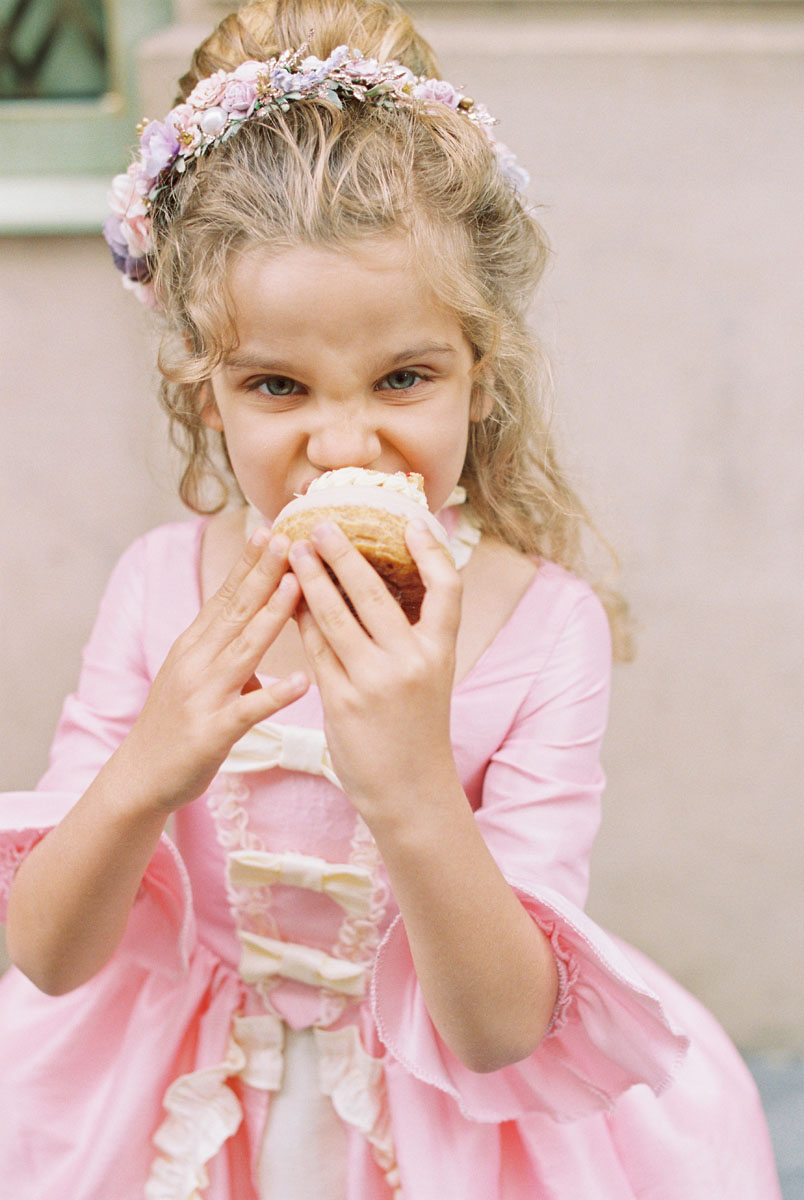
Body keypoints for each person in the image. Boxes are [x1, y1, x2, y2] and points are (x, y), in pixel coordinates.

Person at [0, 2, 782, 1197]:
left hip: (446, 1128)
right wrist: (150, 764)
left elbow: (501, 1031)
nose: (343, 442)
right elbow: (49, 958)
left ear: (481, 373)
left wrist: (413, 782)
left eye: (404, 377)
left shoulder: (544, 630)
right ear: (207, 394)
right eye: (277, 385)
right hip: (179, 1106)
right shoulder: (160, 591)